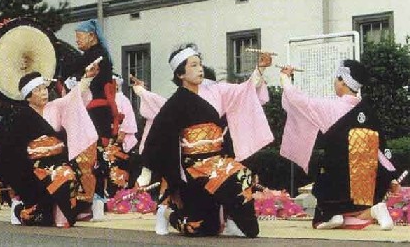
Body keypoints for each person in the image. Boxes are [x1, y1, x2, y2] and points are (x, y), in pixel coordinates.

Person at [136, 43, 273, 238]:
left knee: (241, 175)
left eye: (200, 64)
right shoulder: (175, 103)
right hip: (193, 168)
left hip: (217, 161)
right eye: (193, 65)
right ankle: (167, 213)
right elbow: (157, 136)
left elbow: (244, 91)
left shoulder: (216, 91)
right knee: (199, 227)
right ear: (180, 74)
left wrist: (260, 69)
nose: (199, 69)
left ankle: (236, 221)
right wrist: (146, 172)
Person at [279, 59, 395, 230]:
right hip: (365, 187)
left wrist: (285, 78)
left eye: (337, 79)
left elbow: (299, 101)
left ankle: (332, 215)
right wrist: (391, 175)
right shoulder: (367, 111)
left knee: (320, 216)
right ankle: (373, 210)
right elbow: (382, 148)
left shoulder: (331, 107)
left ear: (343, 81)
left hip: (336, 180)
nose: (335, 82)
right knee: (355, 213)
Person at [0, 71, 98, 227]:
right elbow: (10, 146)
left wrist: (87, 78)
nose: (44, 92)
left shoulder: (55, 106)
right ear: (28, 96)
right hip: (33, 165)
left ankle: (63, 214)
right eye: (38, 90)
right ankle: (28, 209)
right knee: (58, 177)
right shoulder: (22, 115)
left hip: (57, 159)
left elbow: (74, 98)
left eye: (44, 88)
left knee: (68, 173)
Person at [72, 19, 124, 204]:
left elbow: (77, 75)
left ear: (92, 36)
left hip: (95, 109)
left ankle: (94, 195)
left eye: (79, 37)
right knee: (100, 151)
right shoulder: (97, 54)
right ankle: (98, 195)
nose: (76, 41)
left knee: (94, 152)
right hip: (99, 109)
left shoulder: (95, 56)